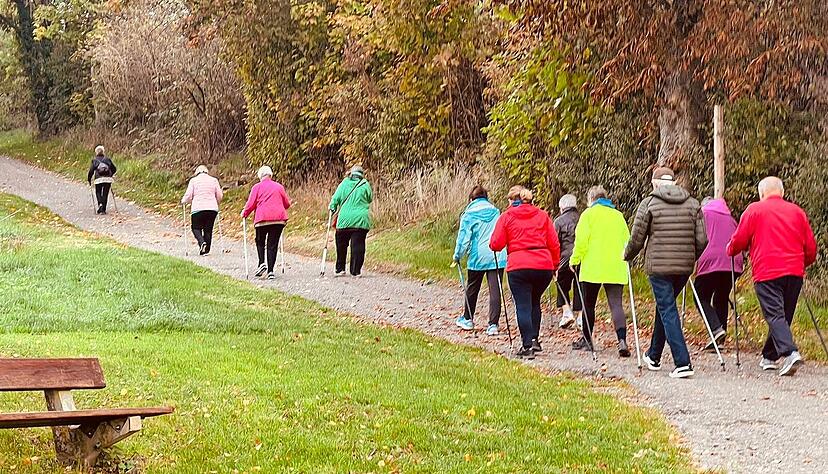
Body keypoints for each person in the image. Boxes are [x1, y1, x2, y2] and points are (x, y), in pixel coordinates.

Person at [727, 177, 817, 376]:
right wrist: (802, 263)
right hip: (794, 271)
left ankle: (790, 352)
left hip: (767, 271)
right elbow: (810, 247)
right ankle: (769, 356)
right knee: (783, 315)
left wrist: (731, 249)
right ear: (782, 192)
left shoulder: (754, 210)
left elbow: (739, 240)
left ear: (761, 193)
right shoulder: (797, 212)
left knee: (775, 315)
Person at [624, 167, 707, 379]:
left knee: (668, 309)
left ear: (655, 183)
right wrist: (691, 256)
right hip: (684, 267)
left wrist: (628, 254)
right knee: (666, 306)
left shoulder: (649, 204)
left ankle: (683, 362)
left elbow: (637, 238)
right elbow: (702, 240)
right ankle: (653, 355)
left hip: (659, 267)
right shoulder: (693, 204)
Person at [490, 186, 561, 359]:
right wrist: (555, 265)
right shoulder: (543, 216)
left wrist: (495, 245)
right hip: (543, 265)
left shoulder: (507, 217)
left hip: (519, 265)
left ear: (514, 200)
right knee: (534, 301)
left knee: (523, 305)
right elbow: (554, 243)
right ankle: (535, 339)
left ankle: (527, 345)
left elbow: (496, 243)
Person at [569, 186, 632, 357]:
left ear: (591, 199)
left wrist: (574, 260)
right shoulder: (618, 216)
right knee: (616, 305)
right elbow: (627, 241)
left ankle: (587, 339)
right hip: (615, 266)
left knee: (589, 304)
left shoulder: (588, 215)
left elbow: (581, 241)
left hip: (592, 266)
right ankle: (622, 340)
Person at [452, 186, 507, 336]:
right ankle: (493, 325)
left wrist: (457, 255)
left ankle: (468, 319)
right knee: (495, 289)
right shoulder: (496, 212)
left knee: (472, 287)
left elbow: (463, 239)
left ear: (471, 199)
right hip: (497, 254)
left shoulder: (469, 214)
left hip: (478, 256)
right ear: (486, 198)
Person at [694, 197, 744, 350]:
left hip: (710, 260)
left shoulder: (702, 214)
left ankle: (716, 329)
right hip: (732, 262)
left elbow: (696, 236)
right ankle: (719, 339)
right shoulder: (730, 218)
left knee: (700, 297)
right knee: (721, 298)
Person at [241, 166, 292, 280]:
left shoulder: (257, 187)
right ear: (271, 175)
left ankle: (261, 262)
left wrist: (244, 213)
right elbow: (287, 204)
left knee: (260, 240)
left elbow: (251, 204)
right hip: (279, 219)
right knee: (272, 245)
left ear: (260, 176)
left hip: (262, 218)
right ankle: (270, 271)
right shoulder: (279, 187)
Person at [329, 166, 373, 277]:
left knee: (341, 245)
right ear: (362, 174)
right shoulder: (365, 184)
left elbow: (336, 198)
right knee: (358, 245)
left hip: (344, 220)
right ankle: (355, 271)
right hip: (361, 220)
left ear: (351, 174)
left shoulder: (344, 184)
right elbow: (369, 198)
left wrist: (332, 207)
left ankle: (340, 269)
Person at [554, 193, 583, 329]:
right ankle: (581, 316)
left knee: (562, 284)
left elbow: (555, 244)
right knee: (580, 286)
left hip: (565, 260)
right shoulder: (583, 218)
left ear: (562, 207)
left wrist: (554, 264)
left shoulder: (558, 221)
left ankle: (567, 312)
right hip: (582, 258)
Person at [181, 165, 224, 256]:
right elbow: (219, 195)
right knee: (208, 229)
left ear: (197, 172)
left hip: (198, 208)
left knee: (196, 228)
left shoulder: (193, 181)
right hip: (212, 209)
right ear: (206, 172)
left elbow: (189, 195)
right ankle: (206, 250)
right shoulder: (214, 180)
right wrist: (217, 202)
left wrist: (184, 201)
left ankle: (201, 242)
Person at [87, 146, 117, 214]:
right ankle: (103, 209)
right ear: (103, 152)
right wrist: (111, 174)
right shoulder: (107, 159)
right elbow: (114, 169)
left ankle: (100, 204)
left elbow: (91, 171)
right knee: (105, 193)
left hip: (98, 179)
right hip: (108, 179)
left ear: (96, 152)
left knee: (98, 191)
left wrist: (89, 179)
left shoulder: (94, 160)